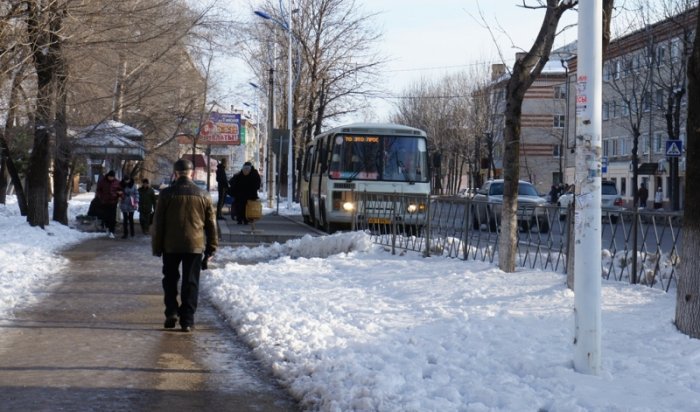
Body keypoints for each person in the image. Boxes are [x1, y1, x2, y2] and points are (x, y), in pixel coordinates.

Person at [152, 159, 218, 332]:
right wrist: (212, 247)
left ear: (175, 173)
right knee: (191, 282)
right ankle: (187, 320)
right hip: (194, 246)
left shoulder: (166, 194)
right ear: (192, 173)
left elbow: (158, 223)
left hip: (170, 246)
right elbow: (211, 224)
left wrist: (157, 247)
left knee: (170, 280)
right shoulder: (203, 195)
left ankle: (171, 312)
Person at [95, 170, 122, 238]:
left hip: (113, 202)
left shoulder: (117, 182)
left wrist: (119, 195)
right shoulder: (103, 181)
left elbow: (120, 190)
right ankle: (107, 227)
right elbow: (98, 190)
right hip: (104, 201)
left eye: (112, 177)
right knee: (106, 216)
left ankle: (112, 231)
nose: (111, 178)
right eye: (110, 177)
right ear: (108, 176)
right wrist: (100, 196)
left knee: (112, 217)